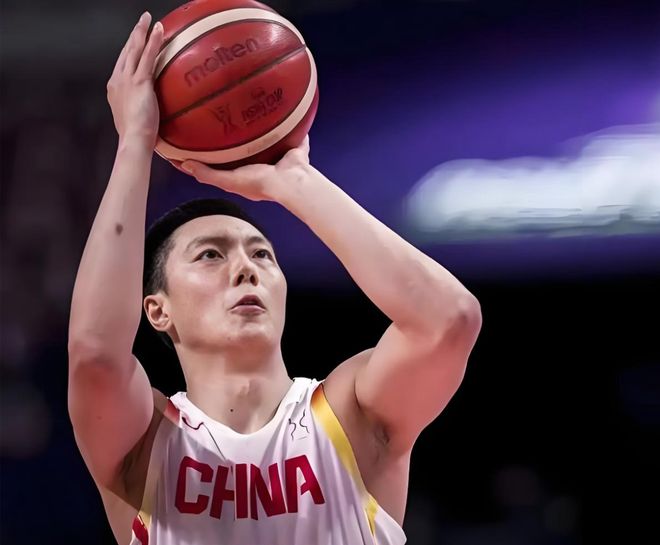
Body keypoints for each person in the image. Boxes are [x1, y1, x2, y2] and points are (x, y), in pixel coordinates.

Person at [67, 12, 482, 545]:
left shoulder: (350, 417)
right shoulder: (144, 444)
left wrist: (296, 182)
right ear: (157, 309)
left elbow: (449, 320)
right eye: (210, 255)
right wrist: (134, 143)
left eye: (262, 254)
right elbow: (95, 353)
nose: (246, 267)